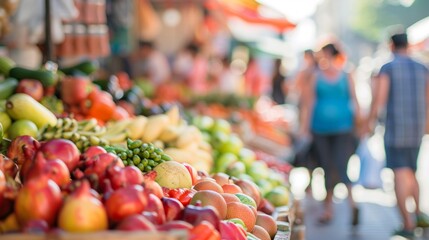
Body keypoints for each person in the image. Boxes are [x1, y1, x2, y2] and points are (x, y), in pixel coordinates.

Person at [366, 32, 429, 238]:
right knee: (412, 171)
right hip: (417, 128)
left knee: (400, 174)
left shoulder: (388, 67)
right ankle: (419, 214)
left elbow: (380, 99)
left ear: (391, 45)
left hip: (396, 129)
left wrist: (370, 121)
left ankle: (408, 224)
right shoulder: (422, 67)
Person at [300, 43, 360, 225]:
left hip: (341, 128)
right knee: (331, 166)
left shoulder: (345, 74)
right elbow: (308, 103)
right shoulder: (316, 75)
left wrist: (361, 125)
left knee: (336, 166)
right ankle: (337, 206)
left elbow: (354, 100)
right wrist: (305, 128)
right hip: (323, 128)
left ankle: (343, 205)